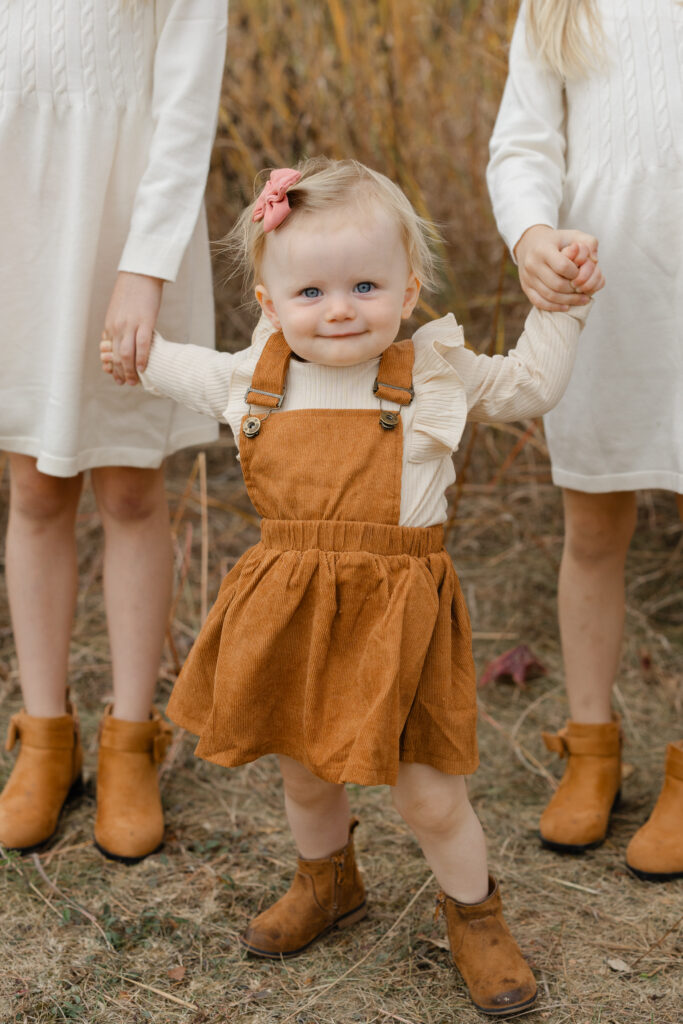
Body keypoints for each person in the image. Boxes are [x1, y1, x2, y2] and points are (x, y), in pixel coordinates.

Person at [102, 157, 596, 1014]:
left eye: (365, 285)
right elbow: (149, 360)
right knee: (303, 770)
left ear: (409, 291)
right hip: (288, 610)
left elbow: (532, 384)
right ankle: (327, 881)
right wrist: (123, 344)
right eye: (311, 293)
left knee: (427, 792)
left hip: (396, 616)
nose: (338, 309)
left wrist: (562, 303)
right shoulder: (246, 378)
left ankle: (475, 916)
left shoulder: (432, 372)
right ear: (267, 305)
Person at [0, 0, 228, 864]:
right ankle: (44, 736)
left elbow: (186, 104)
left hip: (122, 221)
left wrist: (145, 269)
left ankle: (132, 738)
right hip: (17, 218)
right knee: (34, 482)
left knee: (131, 485)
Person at [487, 0, 683, 881]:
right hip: (601, 291)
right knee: (594, 527)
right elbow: (523, 144)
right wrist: (531, 235)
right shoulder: (557, 7)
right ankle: (590, 745)